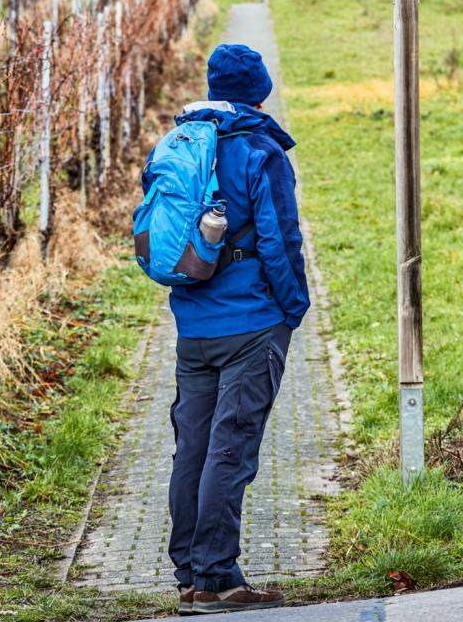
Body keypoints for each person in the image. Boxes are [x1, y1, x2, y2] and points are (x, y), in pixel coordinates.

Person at [162, 43, 310, 614]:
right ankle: (217, 580)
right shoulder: (259, 150)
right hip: (251, 325)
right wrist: (292, 310)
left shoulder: (185, 143)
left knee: (191, 452)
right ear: (262, 90)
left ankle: (188, 576)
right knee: (231, 452)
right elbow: (279, 239)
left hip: (192, 323)